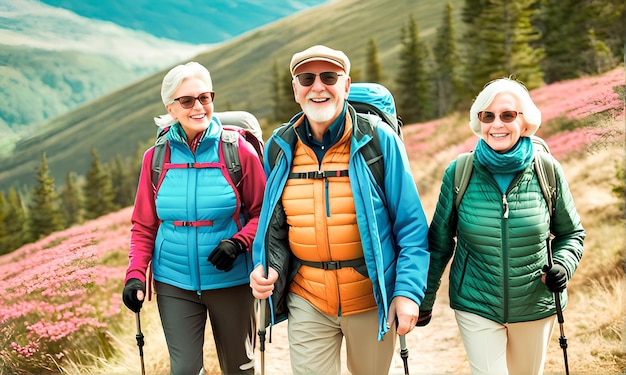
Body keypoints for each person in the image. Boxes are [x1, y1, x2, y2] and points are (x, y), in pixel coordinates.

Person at [248, 44, 430, 375]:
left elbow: (411, 227)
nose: (318, 86)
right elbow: (271, 223)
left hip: (369, 299)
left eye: (329, 77)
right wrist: (263, 267)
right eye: (306, 78)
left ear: (346, 85)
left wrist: (407, 293)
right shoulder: (279, 146)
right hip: (307, 298)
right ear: (295, 90)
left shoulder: (379, 141)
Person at [419, 78, 585, 375]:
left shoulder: (547, 169)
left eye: (508, 115)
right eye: (488, 116)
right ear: (479, 121)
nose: (497, 124)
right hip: (475, 303)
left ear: (525, 122)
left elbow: (572, 233)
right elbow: (439, 242)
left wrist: (562, 264)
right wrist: (424, 298)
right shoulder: (459, 172)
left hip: (535, 303)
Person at [122, 61, 266, 375]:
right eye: (187, 101)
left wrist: (238, 243)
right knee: (185, 369)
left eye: (205, 97)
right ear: (171, 109)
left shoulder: (238, 151)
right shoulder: (156, 158)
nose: (198, 106)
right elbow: (144, 225)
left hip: (231, 280)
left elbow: (263, 213)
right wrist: (135, 274)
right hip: (173, 282)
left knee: (240, 368)